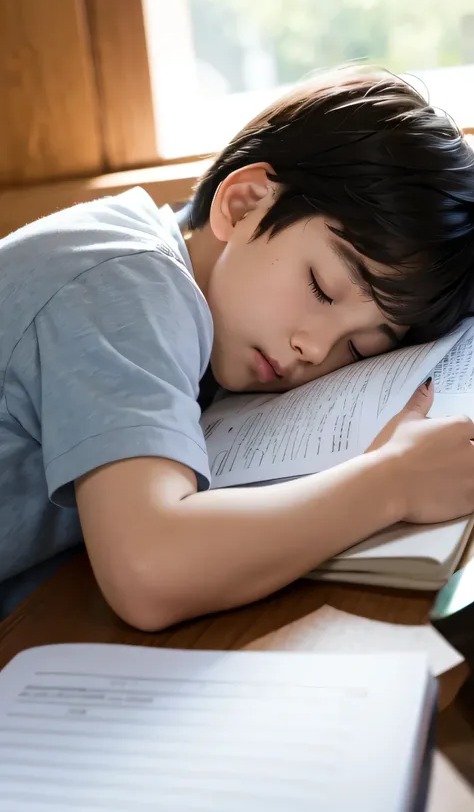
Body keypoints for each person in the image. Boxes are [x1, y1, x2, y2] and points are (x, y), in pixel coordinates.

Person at [1, 65, 474, 627]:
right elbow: (149, 572)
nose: (316, 350)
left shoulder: (208, 314)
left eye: (361, 348)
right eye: (322, 289)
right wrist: (393, 481)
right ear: (244, 203)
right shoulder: (127, 280)